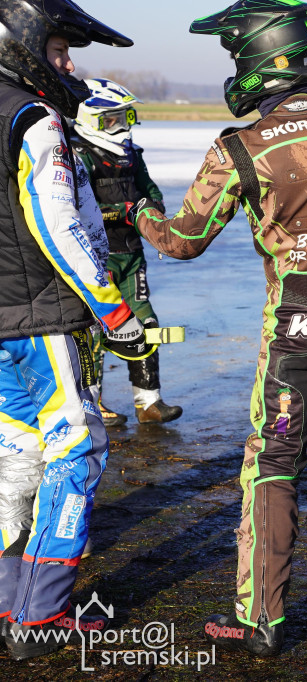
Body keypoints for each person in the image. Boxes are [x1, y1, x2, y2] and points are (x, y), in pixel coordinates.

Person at [130, 0, 307, 655]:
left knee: (273, 466)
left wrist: (138, 212)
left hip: (297, 332)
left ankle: (261, 618)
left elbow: (185, 240)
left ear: (255, 63)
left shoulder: (239, 148)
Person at [0, 0, 150, 661]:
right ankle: (41, 615)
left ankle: (10, 600)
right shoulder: (32, 119)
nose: (68, 66)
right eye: (60, 52)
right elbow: (59, 224)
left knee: (13, 459)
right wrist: (115, 313)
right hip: (37, 313)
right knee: (77, 446)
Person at [72, 77, 182, 426]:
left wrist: (149, 212)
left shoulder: (131, 155)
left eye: (126, 117)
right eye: (112, 120)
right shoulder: (79, 156)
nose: (120, 127)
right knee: (98, 329)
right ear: (90, 120)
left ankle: (149, 402)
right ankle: (93, 404)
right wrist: (125, 210)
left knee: (146, 323)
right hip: (95, 258)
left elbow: (152, 194)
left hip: (132, 255)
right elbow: (74, 208)